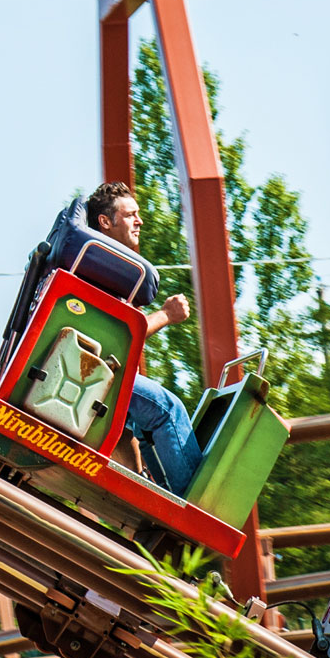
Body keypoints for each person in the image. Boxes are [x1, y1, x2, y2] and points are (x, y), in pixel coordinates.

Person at [83, 180, 205, 497]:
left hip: (97, 373)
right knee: (167, 409)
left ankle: (151, 491)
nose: (140, 221)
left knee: (138, 423)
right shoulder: (99, 264)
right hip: (94, 373)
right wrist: (167, 314)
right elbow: (118, 335)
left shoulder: (104, 264)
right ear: (105, 222)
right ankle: (198, 505)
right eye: (130, 214)